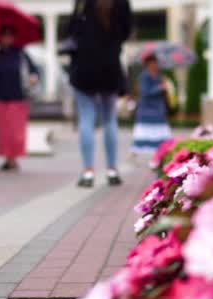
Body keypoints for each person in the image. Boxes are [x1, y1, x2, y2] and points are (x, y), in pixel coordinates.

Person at [68, 0, 132, 187]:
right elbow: (126, 31)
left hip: (85, 67)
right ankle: (112, 169)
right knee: (110, 119)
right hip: (110, 65)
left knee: (86, 119)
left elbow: (71, 29)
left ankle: (88, 171)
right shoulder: (121, 2)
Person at [0, 25, 39, 172]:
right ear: (0, 38)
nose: (7, 38)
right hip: (0, 97)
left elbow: (34, 70)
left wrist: (34, 77)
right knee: (3, 131)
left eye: (10, 35)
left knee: (16, 132)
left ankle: (13, 158)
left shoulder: (21, 54)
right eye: (4, 35)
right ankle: (8, 159)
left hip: (18, 97)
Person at [132, 54, 172, 154]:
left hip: (159, 111)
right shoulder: (144, 76)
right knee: (144, 134)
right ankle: (136, 153)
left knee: (161, 136)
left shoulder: (160, 76)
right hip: (147, 111)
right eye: (152, 63)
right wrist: (159, 88)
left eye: (156, 63)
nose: (155, 65)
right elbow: (145, 92)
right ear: (147, 64)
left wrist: (166, 87)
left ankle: (161, 152)